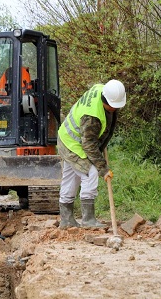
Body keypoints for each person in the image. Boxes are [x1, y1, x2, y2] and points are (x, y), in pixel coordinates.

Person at [57, 79, 126, 229]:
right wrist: (103, 168)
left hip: (68, 137)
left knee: (72, 177)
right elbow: (89, 145)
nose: (114, 109)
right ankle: (88, 219)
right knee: (91, 172)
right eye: (113, 106)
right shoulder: (91, 117)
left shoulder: (102, 89)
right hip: (72, 143)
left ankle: (67, 220)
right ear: (105, 99)